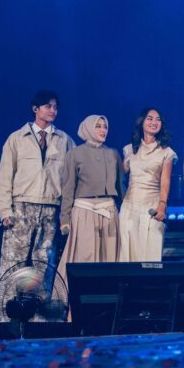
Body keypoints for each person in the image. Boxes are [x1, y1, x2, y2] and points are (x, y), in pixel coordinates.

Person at [0, 90, 75, 275]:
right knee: (13, 264)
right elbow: (4, 178)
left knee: (44, 265)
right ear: (35, 109)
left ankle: (42, 296)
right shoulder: (16, 139)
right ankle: (8, 296)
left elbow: (72, 179)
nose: (53, 110)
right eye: (48, 106)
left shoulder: (65, 140)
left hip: (50, 210)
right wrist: (5, 211)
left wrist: (66, 213)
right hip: (21, 208)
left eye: (55, 107)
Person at [58, 115, 123, 276]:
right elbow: (68, 188)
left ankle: (106, 291)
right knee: (85, 256)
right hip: (84, 211)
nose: (103, 130)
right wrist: (64, 219)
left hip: (109, 211)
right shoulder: (75, 154)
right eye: (98, 126)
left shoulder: (113, 154)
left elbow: (121, 186)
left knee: (109, 257)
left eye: (105, 126)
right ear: (88, 128)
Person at [120, 107, 176, 262]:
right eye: (150, 118)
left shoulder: (166, 151)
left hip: (152, 206)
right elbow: (120, 178)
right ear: (142, 122)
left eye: (158, 120)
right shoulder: (129, 149)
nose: (154, 122)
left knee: (150, 253)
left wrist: (162, 204)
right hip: (129, 206)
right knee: (128, 253)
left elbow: (165, 181)